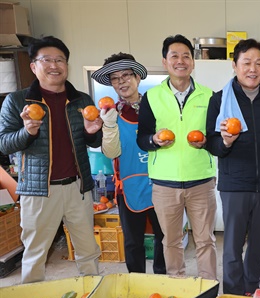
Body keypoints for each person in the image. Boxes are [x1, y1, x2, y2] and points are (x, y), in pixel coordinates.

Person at [0, 36, 101, 283]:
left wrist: (92, 132)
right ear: (34, 66)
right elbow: (3, 143)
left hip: (78, 188)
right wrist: (28, 132)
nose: (54, 65)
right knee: (35, 254)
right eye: (46, 60)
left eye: (60, 60)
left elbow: (94, 143)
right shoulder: (17, 101)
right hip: (38, 192)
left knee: (88, 252)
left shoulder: (82, 101)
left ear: (66, 65)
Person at [205, 39, 260, 295]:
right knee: (232, 246)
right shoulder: (220, 100)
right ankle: (233, 297)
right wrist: (224, 142)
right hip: (235, 184)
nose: (252, 68)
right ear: (234, 66)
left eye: (258, 63)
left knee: (258, 244)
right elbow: (211, 144)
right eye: (246, 63)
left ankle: (251, 290)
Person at [136, 35, 217, 280]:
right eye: (174, 56)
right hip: (164, 183)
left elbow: (216, 138)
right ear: (165, 61)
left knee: (205, 240)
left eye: (186, 56)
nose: (180, 61)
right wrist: (154, 140)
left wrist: (206, 141)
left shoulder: (209, 96)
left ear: (193, 62)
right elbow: (142, 138)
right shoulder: (151, 97)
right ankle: (177, 286)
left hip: (201, 180)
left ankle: (208, 287)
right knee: (170, 241)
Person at [91, 53, 166, 274]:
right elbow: (111, 151)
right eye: (115, 78)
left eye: (126, 75)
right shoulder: (110, 114)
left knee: (165, 236)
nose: (122, 81)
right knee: (133, 241)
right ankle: (137, 281)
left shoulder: (157, 108)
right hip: (128, 186)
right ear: (111, 84)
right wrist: (110, 125)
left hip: (161, 183)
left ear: (137, 78)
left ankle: (162, 277)